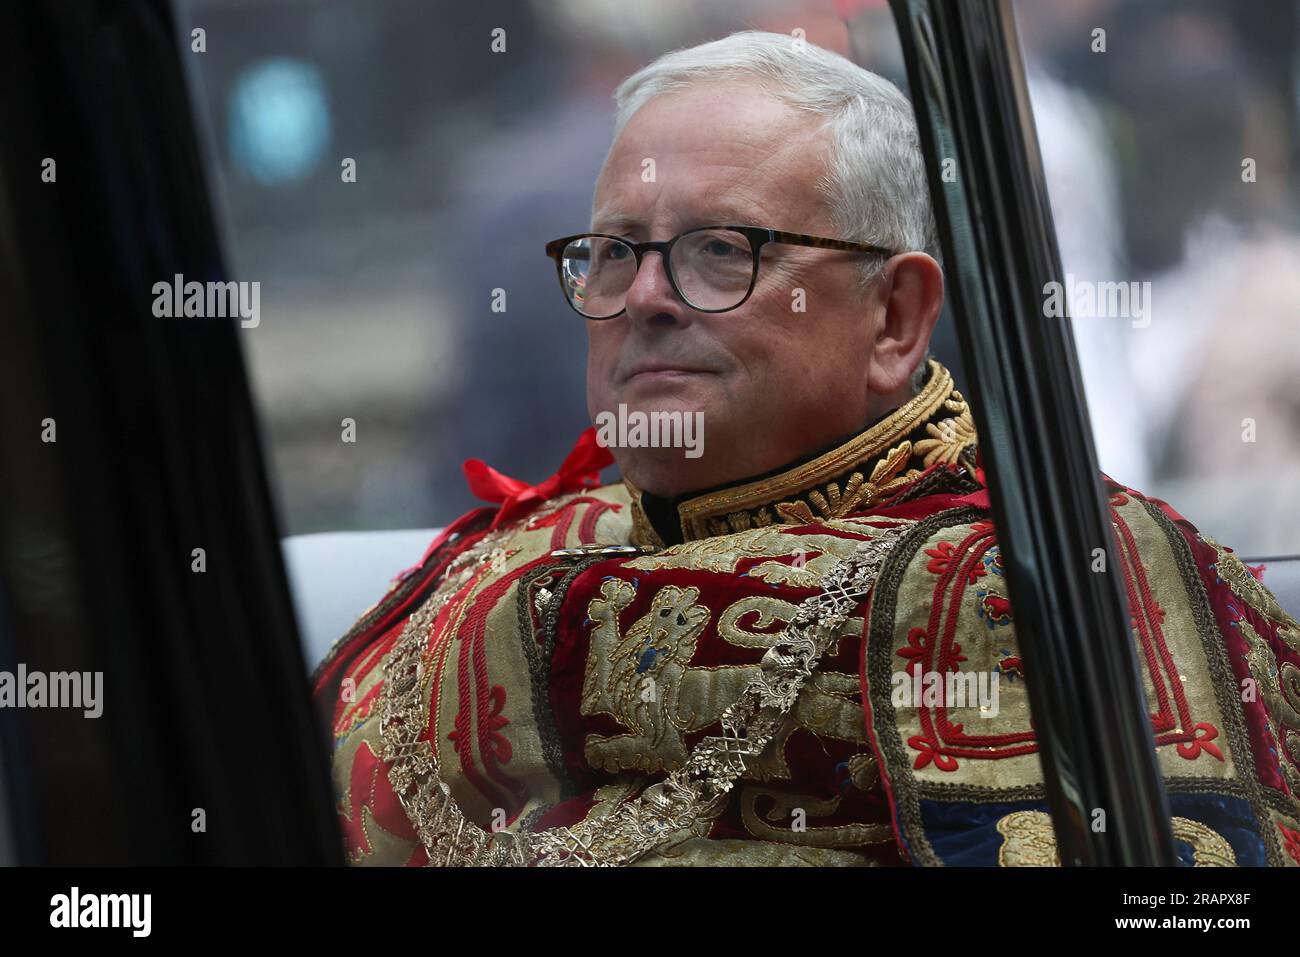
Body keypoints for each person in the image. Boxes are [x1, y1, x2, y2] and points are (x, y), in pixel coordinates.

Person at [311, 31, 1300, 867]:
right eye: (614, 251)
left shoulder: (1071, 575)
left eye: (721, 250)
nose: (645, 297)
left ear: (894, 317)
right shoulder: (500, 555)